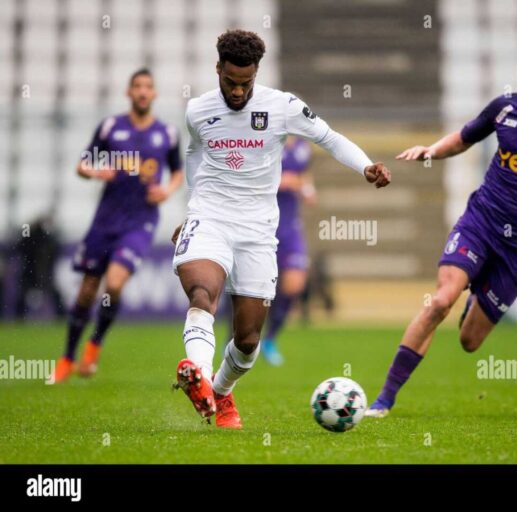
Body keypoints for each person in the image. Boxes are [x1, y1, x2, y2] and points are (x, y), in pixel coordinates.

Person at [366, 44, 517, 418]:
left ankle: (477, 297)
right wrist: (432, 150)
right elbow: (464, 137)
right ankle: (383, 400)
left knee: (469, 341)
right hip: (482, 222)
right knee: (441, 300)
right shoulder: (505, 108)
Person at [171, 29, 391, 429]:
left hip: (258, 229)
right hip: (211, 217)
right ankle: (198, 375)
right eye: (230, 82)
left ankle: (219, 394)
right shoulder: (198, 111)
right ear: (217, 69)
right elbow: (193, 152)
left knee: (248, 340)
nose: (238, 92)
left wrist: (366, 166)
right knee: (202, 293)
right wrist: (191, 210)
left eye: (246, 83)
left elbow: (329, 138)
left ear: (257, 73)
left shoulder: (283, 107)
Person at [53, 68, 183, 382]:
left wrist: (167, 190)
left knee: (113, 284)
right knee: (86, 292)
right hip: (105, 220)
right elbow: (82, 164)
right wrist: (97, 172)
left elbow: (178, 172)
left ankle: (94, 347)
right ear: (129, 92)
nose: (142, 91)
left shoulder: (167, 134)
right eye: (137, 86)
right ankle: (68, 358)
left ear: (154, 94)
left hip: (140, 222)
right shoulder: (111, 127)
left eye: (147, 87)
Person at [260, 136, 316, 366]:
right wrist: (283, 181)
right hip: (263, 227)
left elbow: (305, 177)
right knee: (253, 290)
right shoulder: (264, 143)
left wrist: (308, 188)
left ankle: (270, 339)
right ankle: (235, 339)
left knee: (294, 284)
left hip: (291, 228)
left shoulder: (303, 148)